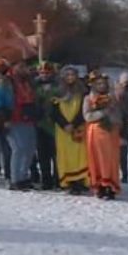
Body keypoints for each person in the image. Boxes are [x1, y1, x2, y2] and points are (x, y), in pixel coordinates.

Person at [0, 61, 38, 191]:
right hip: (13, 119)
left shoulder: (29, 82)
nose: (24, 69)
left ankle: (23, 176)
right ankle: (15, 179)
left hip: (28, 119)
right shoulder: (5, 82)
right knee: (18, 148)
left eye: (25, 66)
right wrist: (3, 118)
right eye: (21, 66)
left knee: (30, 149)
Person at [84, 71, 122, 200]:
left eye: (103, 83)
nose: (101, 86)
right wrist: (103, 113)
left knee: (111, 160)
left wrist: (112, 120)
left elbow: (118, 115)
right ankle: (99, 185)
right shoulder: (88, 98)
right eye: (98, 83)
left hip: (111, 133)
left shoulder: (113, 98)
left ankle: (110, 186)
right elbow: (87, 116)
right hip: (95, 133)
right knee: (97, 159)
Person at [52, 67, 88, 195]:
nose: (70, 77)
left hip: (78, 127)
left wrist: (74, 124)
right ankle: (68, 182)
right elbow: (54, 112)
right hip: (63, 131)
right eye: (67, 75)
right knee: (65, 155)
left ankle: (80, 181)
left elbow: (83, 110)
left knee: (80, 155)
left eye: (72, 75)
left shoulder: (83, 92)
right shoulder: (57, 92)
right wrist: (65, 125)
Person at [34, 62, 59, 190]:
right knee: (42, 154)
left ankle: (57, 179)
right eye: (42, 72)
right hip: (40, 123)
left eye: (47, 72)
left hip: (54, 124)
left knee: (55, 154)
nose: (44, 75)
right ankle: (46, 180)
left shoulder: (57, 85)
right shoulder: (35, 85)